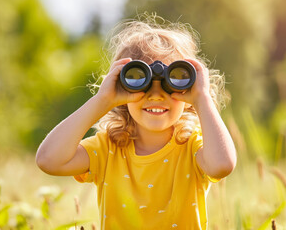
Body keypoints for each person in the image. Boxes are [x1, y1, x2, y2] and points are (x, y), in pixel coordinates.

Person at [36, 15, 237, 229]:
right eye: (141, 83)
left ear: (189, 90)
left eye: (173, 81)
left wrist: (202, 98)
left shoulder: (192, 148)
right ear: (121, 86)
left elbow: (222, 165)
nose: (157, 95)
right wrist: (103, 100)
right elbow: (49, 160)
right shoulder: (107, 149)